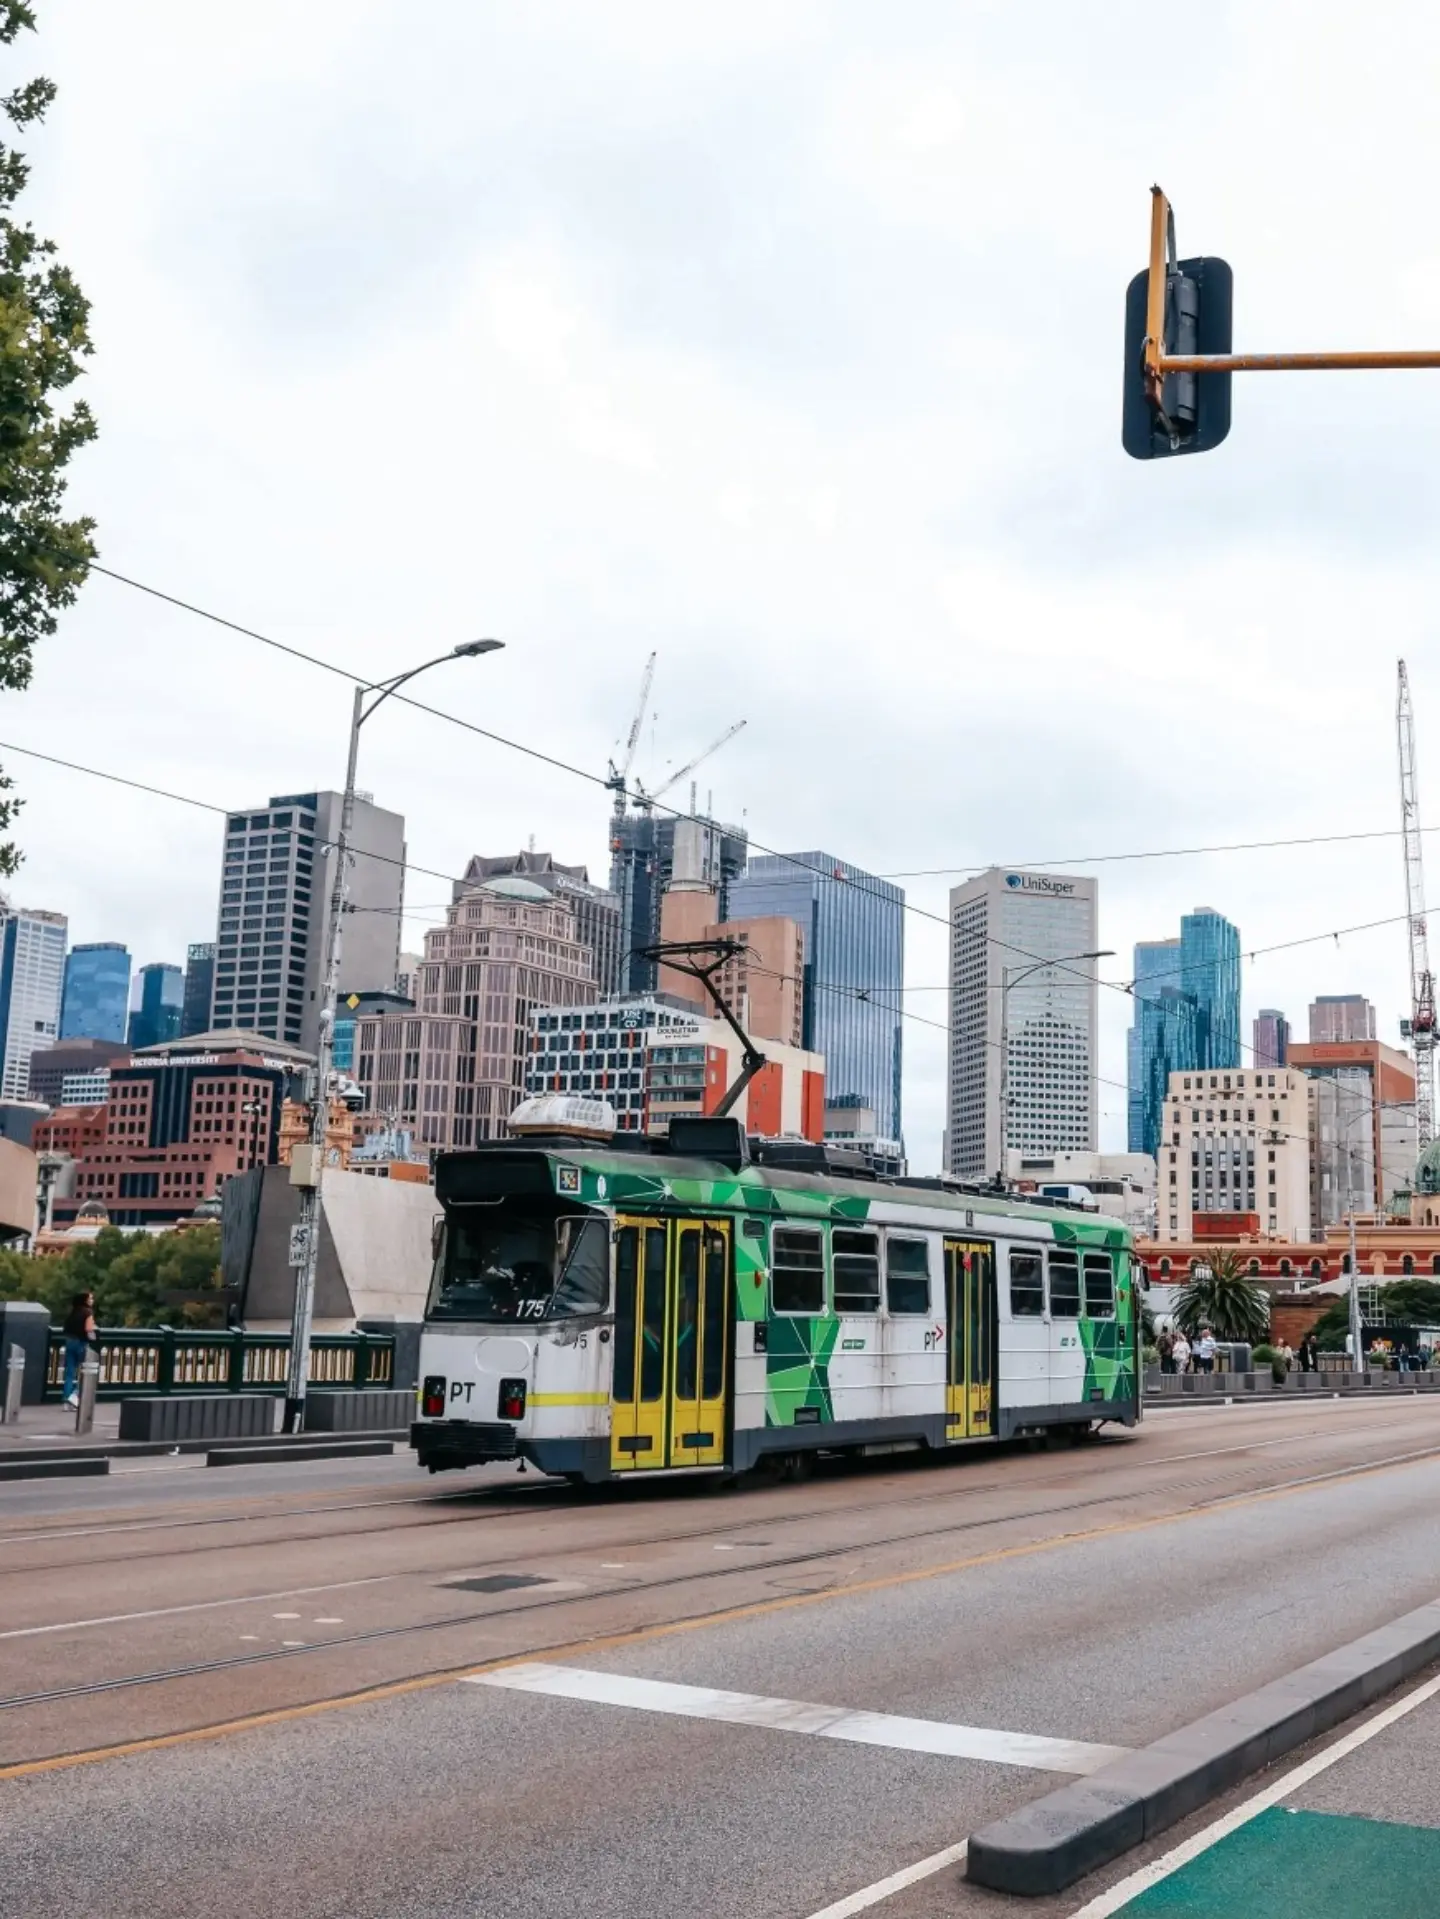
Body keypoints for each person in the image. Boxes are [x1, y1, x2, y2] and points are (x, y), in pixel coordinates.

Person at [61, 1290, 96, 1407]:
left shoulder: (73, 1312)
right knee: (85, 1371)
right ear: (85, 1300)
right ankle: (75, 1396)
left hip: (70, 1341)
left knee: (70, 1372)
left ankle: (66, 1399)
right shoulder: (88, 1312)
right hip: (81, 1343)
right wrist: (93, 1335)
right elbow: (88, 1329)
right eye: (90, 1298)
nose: (92, 1301)